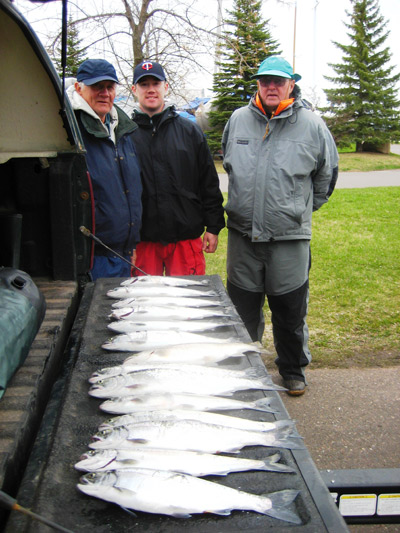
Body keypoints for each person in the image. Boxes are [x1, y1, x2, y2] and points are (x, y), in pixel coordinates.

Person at [222, 56, 338, 396]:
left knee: (289, 311)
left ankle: (292, 371)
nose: (271, 87)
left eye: (278, 81)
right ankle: (243, 370)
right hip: (243, 238)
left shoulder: (312, 125)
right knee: (241, 311)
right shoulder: (238, 120)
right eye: (265, 81)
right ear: (258, 85)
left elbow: (326, 176)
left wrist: (297, 211)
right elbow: (229, 165)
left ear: (291, 84)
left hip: (290, 240)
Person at [130, 60, 225, 276]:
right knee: (143, 305)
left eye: (156, 83)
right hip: (143, 242)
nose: (151, 89)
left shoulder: (190, 132)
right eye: (144, 84)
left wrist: (213, 226)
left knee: (189, 304)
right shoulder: (125, 135)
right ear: (134, 90)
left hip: (185, 238)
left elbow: (208, 182)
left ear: (166, 86)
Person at [67, 59, 142, 280]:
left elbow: (131, 189)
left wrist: (131, 243)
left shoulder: (122, 129)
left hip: (123, 254)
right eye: (97, 86)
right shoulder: (70, 131)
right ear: (79, 88)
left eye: (109, 87)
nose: (105, 93)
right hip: (92, 259)